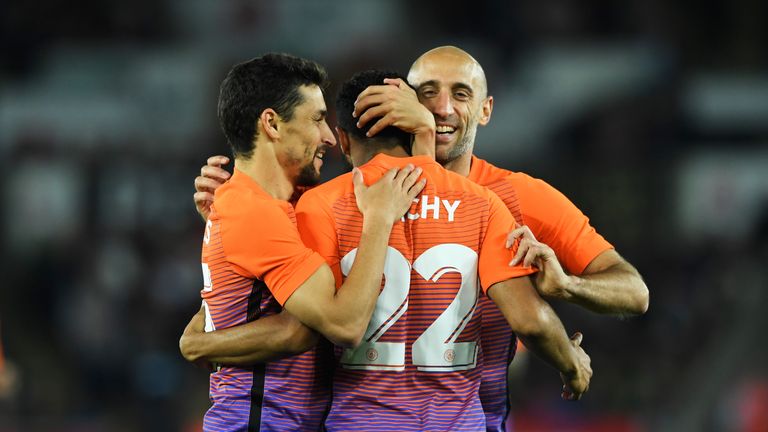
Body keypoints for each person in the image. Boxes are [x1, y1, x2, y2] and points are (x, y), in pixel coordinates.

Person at [192, 46, 648, 431]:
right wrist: (570, 360)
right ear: (413, 114)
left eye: (461, 93)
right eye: (429, 95)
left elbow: (634, 291)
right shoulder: (487, 204)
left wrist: (569, 285)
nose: (444, 107)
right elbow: (530, 321)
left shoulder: (319, 205)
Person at [196, 53, 425, 432]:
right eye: (317, 119)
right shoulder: (252, 212)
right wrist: (379, 220)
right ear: (271, 123)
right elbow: (344, 324)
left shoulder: (276, 203)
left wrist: (200, 340)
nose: (329, 137)